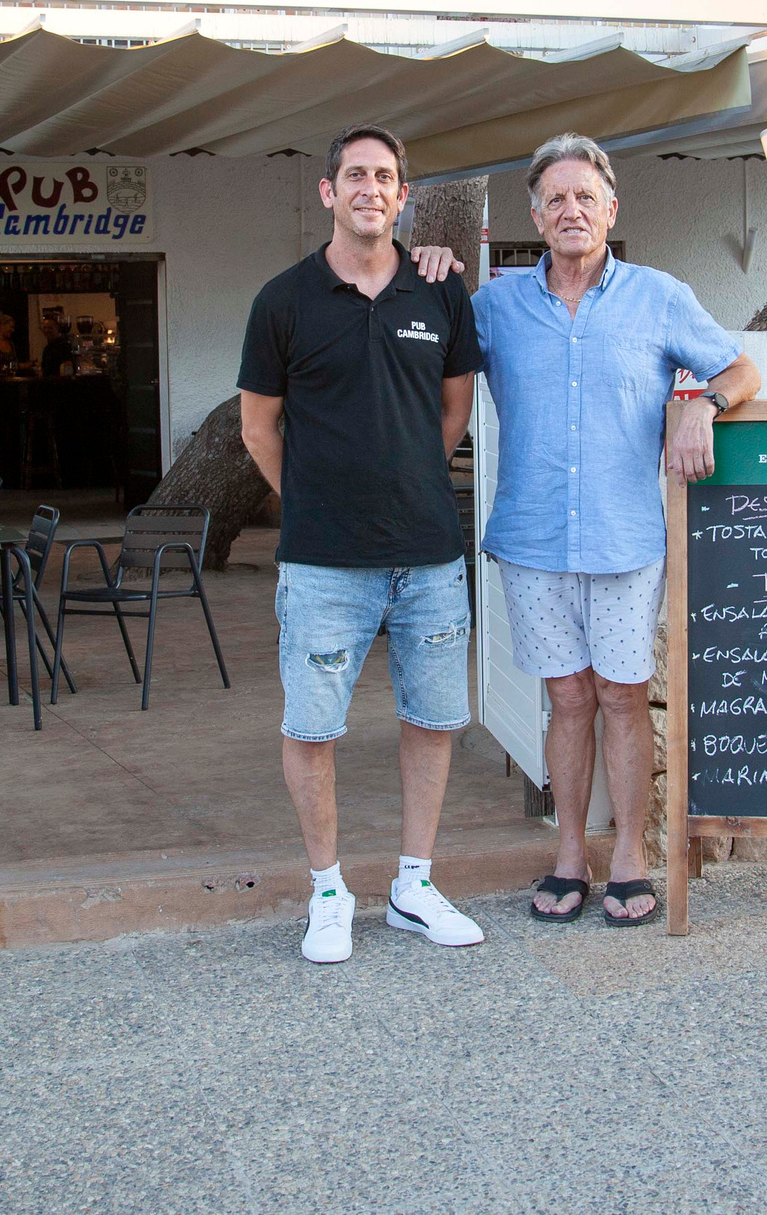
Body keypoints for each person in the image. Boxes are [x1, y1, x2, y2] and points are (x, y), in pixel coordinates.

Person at [473, 135, 759, 926]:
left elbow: (740, 370)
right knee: (567, 698)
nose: (571, 210)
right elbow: (429, 359)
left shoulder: (659, 297)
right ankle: (570, 855)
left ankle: (629, 856)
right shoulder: (493, 309)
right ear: (537, 217)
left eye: (585, 197)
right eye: (556, 199)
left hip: (626, 538)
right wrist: (426, 260)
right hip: (532, 538)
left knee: (622, 696)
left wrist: (703, 404)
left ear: (610, 210)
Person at [237, 124, 486, 964]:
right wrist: (316, 502)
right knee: (312, 728)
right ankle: (328, 891)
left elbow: (452, 411)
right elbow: (258, 428)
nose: (369, 188)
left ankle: (414, 885)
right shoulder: (283, 301)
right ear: (329, 191)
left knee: (433, 719)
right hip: (322, 563)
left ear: (402, 195)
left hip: (429, 555)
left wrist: (404, 481)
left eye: (384, 176)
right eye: (355, 175)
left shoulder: (439, 291)